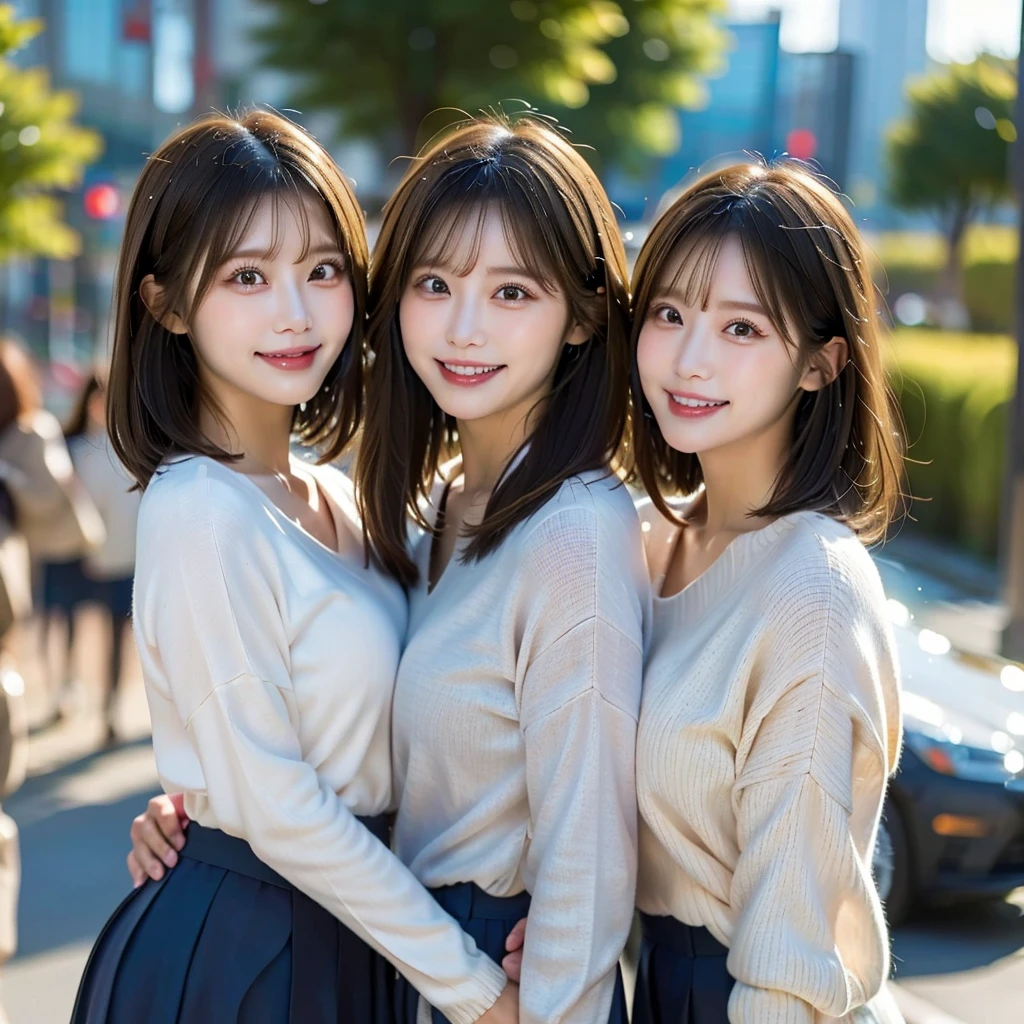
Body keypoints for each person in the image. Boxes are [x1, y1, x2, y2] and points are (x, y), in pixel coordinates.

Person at [71, 109, 516, 1024]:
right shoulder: (198, 505)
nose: (295, 311)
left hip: (356, 934)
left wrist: (201, 789)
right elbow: (277, 807)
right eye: (247, 276)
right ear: (165, 302)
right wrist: (478, 993)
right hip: (249, 954)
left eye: (322, 270)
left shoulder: (342, 497)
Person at [356, 116, 648, 1024]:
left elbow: (588, 855)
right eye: (433, 283)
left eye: (513, 292)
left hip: (499, 979)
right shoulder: (440, 503)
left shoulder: (575, 533)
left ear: (585, 315)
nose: (464, 326)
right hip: (414, 955)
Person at [628, 160, 904, 1023]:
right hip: (659, 984)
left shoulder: (811, 590)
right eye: (670, 313)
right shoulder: (643, 540)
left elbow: (790, 961)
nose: (690, 357)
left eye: (741, 329)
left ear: (822, 365)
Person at [0, 341, 104, 723]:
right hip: (31, 552)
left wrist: (8, 476)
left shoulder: (34, 432)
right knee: (43, 626)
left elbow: (47, 494)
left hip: (61, 544)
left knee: (68, 622)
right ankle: (56, 690)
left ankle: (68, 689)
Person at [63, 374, 142, 744]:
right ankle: (68, 691)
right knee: (68, 624)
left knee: (116, 636)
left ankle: (108, 708)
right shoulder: (77, 449)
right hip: (86, 554)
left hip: (124, 558)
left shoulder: (132, 448)